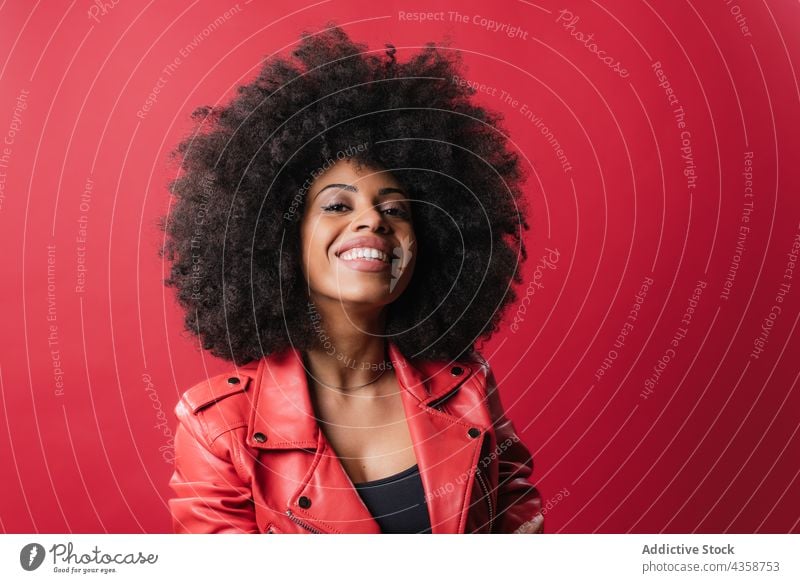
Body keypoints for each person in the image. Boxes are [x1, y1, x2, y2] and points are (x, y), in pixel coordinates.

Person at [161, 22, 544, 534]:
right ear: (277, 235)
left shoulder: (467, 386)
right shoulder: (217, 427)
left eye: (395, 209)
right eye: (339, 204)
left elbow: (520, 528)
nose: (373, 221)